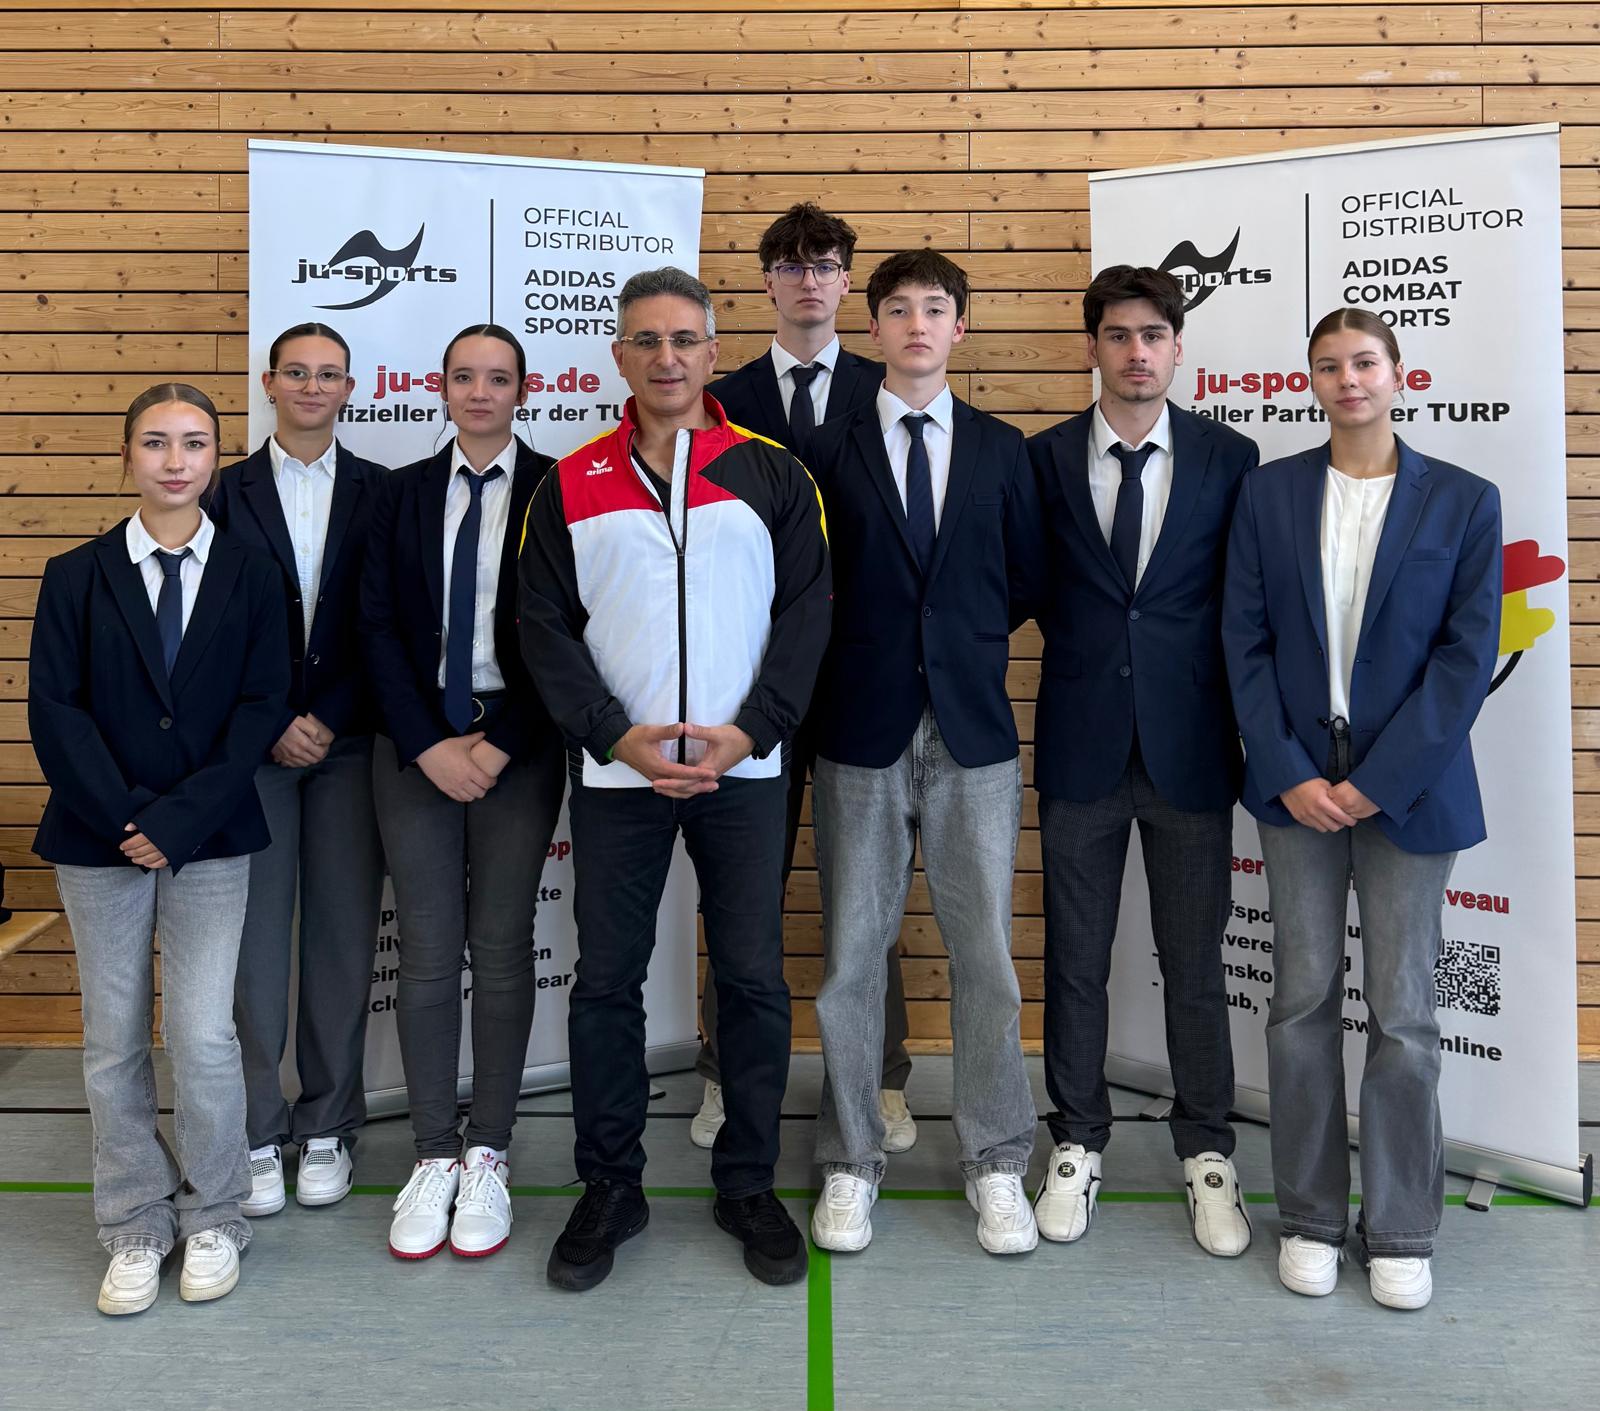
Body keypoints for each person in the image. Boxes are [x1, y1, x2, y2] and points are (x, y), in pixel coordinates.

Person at [519, 267, 830, 1291]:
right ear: (619, 354)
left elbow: (809, 614)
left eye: (684, 339)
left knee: (751, 979)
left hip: (748, 768)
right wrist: (616, 737)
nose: (666, 358)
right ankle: (611, 1185)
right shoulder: (569, 482)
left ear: (711, 351)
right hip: (620, 777)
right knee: (606, 983)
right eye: (646, 340)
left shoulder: (774, 473)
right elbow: (541, 628)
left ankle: (748, 1182)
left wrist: (752, 730)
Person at [1222, 308, 1502, 1310]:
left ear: (1398, 373)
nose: (1348, 379)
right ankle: (1307, 1215)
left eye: (1365, 362)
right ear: (1311, 381)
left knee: (1404, 1013)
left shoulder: (1463, 500)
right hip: (1296, 789)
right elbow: (1243, 640)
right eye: (1329, 365)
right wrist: (1289, 770)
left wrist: (1378, 780)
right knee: (1300, 1002)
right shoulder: (1268, 493)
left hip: (1408, 792)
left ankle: (1400, 1227)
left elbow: (1465, 659)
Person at [29, 384, 289, 1314]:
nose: (175, 461)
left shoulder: (254, 573)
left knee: (203, 1033)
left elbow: (262, 706)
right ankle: (135, 1220)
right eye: (155, 442)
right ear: (126, 455)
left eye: (194, 443)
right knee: (113, 1038)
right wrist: (128, 817)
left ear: (217, 456)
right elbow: (54, 710)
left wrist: (176, 822)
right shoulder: (74, 573)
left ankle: (215, 1213)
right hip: (97, 837)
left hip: (210, 837)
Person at [805, 250, 1044, 1257]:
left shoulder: (1001, 448)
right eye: (897, 308)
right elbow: (808, 582)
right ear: (872, 328)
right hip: (858, 731)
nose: (915, 324)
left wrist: (956, 648)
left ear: (959, 327)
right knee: (852, 958)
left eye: (934, 308)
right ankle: (851, 1158)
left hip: (972, 735)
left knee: (984, 954)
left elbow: (1024, 578)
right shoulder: (827, 447)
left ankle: (997, 1157)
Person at [1025, 265, 1258, 1256]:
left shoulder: (1230, 458)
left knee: (1194, 964)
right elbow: (1020, 585)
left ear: (1176, 347)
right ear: (1092, 346)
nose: (1135, 352)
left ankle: (1206, 1150)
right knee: (1074, 962)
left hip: (1191, 750)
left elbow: (1244, 603)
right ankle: (1077, 1140)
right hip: (1080, 745)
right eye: (1117, 335)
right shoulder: (1040, 460)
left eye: (1152, 335)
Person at [702, 202, 914, 1154]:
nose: (807, 280)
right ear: (768, 282)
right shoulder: (723, 396)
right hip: (749, 682)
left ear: (846, 281)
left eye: (823, 263)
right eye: (789, 265)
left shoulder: (890, 383)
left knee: (869, 896)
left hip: (864, 678)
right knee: (741, 890)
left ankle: (882, 1076)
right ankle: (723, 1071)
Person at [360, 323, 566, 1261]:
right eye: (464, 377)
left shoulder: (557, 488)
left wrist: (502, 742)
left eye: (498, 378)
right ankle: (434, 1151)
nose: (480, 392)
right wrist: (428, 743)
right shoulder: (398, 493)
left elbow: (570, 628)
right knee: (429, 951)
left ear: (524, 390)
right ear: (439, 388)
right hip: (415, 747)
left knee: (505, 946)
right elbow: (373, 627)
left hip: (518, 742)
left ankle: (489, 1150)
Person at [210, 322, 387, 1218]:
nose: (313, 386)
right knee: (253, 951)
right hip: (254, 749)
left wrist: (330, 716)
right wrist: (276, 719)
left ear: (351, 388)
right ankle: (254, 1129)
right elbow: (207, 627)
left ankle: (327, 1125)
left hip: (352, 745)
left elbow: (390, 625)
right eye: (297, 372)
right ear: (269, 383)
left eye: (329, 374)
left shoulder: (385, 492)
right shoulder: (220, 491)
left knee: (342, 940)